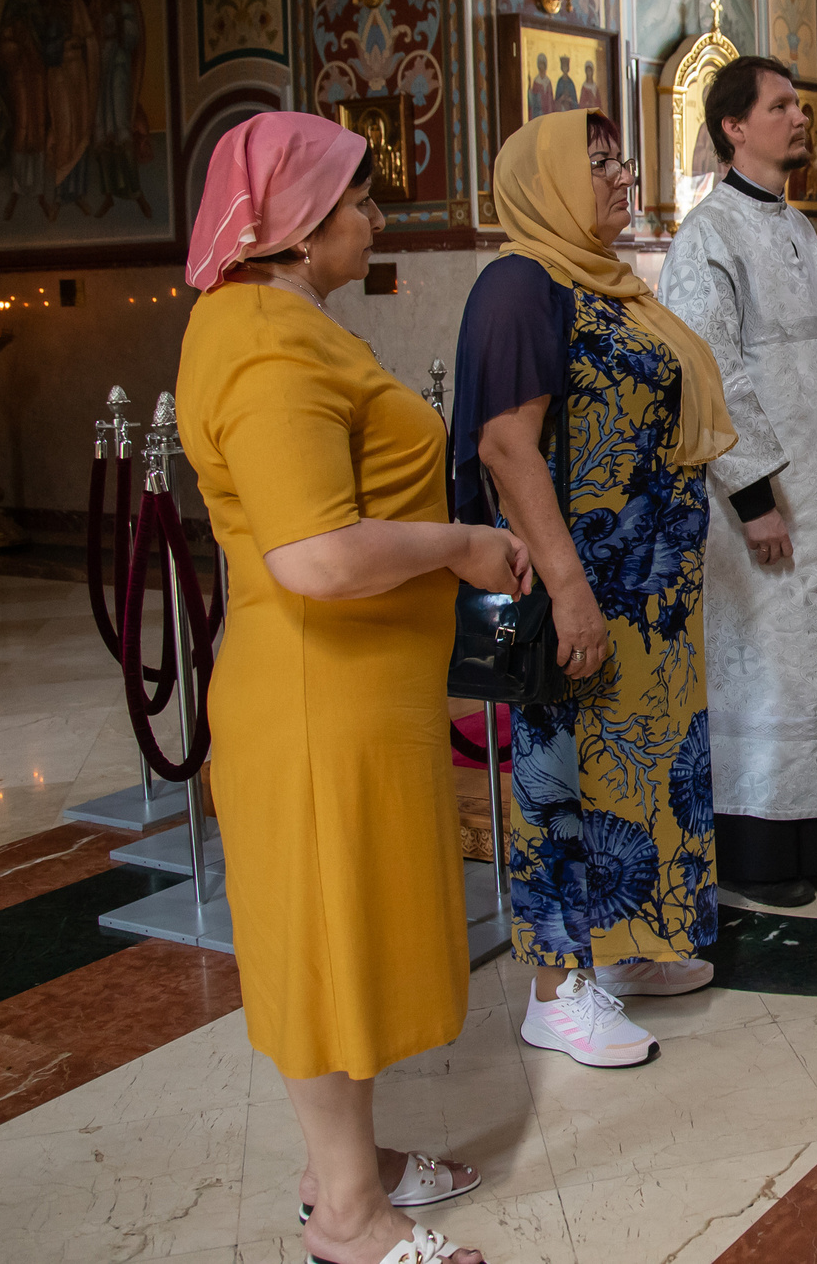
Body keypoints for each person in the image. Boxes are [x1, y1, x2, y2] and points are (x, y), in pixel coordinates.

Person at [176, 112, 526, 1264]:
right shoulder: (267, 346)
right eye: (361, 203)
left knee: (347, 935)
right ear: (298, 224)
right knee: (329, 946)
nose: (374, 221)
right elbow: (315, 560)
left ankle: (356, 1163)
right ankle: (347, 1215)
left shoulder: (276, 321)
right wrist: (458, 548)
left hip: (351, 693)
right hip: (317, 698)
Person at [450, 110, 738, 1067]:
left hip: (641, 600)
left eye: (622, 159)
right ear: (545, 181)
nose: (623, 176)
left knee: (634, 774)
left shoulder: (602, 284)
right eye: (600, 160)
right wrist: (570, 589)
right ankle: (553, 988)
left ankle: (618, 945)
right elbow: (505, 445)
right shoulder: (520, 283)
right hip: (575, 593)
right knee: (560, 784)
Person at [656, 55, 817, 910]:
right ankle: (763, 846)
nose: (801, 118)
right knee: (770, 672)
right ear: (735, 126)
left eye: (799, 105)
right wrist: (755, 498)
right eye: (782, 106)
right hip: (761, 506)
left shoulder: (795, 228)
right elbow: (710, 374)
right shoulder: (708, 237)